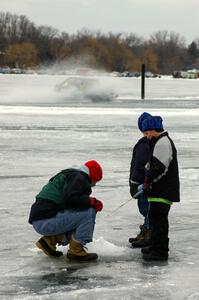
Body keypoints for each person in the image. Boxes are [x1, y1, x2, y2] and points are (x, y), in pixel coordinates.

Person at [28, 160, 103, 262]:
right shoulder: (79, 178)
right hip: (47, 221)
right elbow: (72, 199)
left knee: (79, 216)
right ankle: (76, 251)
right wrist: (92, 202)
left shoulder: (71, 176)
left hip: (41, 220)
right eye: (96, 181)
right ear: (92, 176)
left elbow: (70, 203)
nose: (94, 185)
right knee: (88, 212)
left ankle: (49, 242)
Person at [140, 115, 180, 261]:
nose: (145, 136)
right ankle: (155, 245)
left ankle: (160, 251)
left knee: (159, 220)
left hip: (163, 190)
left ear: (152, 130)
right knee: (155, 218)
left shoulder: (162, 143)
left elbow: (159, 167)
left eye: (146, 133)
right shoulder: (159, 141)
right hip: (160, 190)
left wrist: (148, 181)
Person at [129, 112, 152, 247]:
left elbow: (140, 164)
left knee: (145, 208)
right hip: (146, 182)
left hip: (143, 184)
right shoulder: (150, 142)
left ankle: (148, 233)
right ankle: (147, 230)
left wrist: (134, 182)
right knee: (146, 209)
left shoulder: (144, 144)